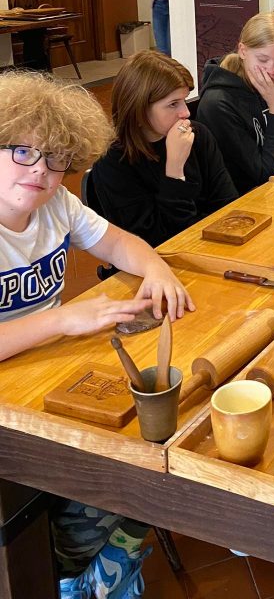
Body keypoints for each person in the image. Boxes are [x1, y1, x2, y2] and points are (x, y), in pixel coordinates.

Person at [0, 70, 194, 599]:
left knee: (160, 440)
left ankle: (95, 570)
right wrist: (63, 320)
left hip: (47, 376)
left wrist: (156, 269)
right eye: (23, 152)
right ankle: (74, 574)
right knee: (124, 475)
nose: (41, 171)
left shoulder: (56, 204)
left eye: (56, 159)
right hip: (14, 404)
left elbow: (121, 243)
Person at [91, 52, 237, 247]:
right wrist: (175, 170)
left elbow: (228, 206)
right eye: (173, 104)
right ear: (139, 109)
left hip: (213, 248)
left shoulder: (198, 135)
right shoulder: (113, 161)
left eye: (184, 100)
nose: (185, 112)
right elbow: (154, 241)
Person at [196, 13, 274, 194]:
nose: (271, 71)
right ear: (243, 51)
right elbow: (262, 176)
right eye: (263, 60)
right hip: (240, 200)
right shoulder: (218, 103)